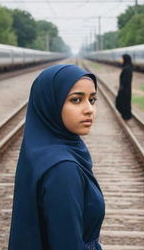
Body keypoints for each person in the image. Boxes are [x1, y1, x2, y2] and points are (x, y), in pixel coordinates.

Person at [8, 64, 105, 250]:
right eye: (76, 100)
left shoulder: (39, 150)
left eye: (92, 100)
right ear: (50, 103)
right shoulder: (63, 169)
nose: (89, 109)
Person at [115, 54, 133, 120]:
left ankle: (126, 116)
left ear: (125, 59)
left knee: (122, 102)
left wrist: (121, 90)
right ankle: (126, 116)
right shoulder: (127, 68)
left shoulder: (127, 69)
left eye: (121, 58)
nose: (120, 60)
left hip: (125, 90)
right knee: (125, 103)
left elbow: (125, 81)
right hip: (126, 89)